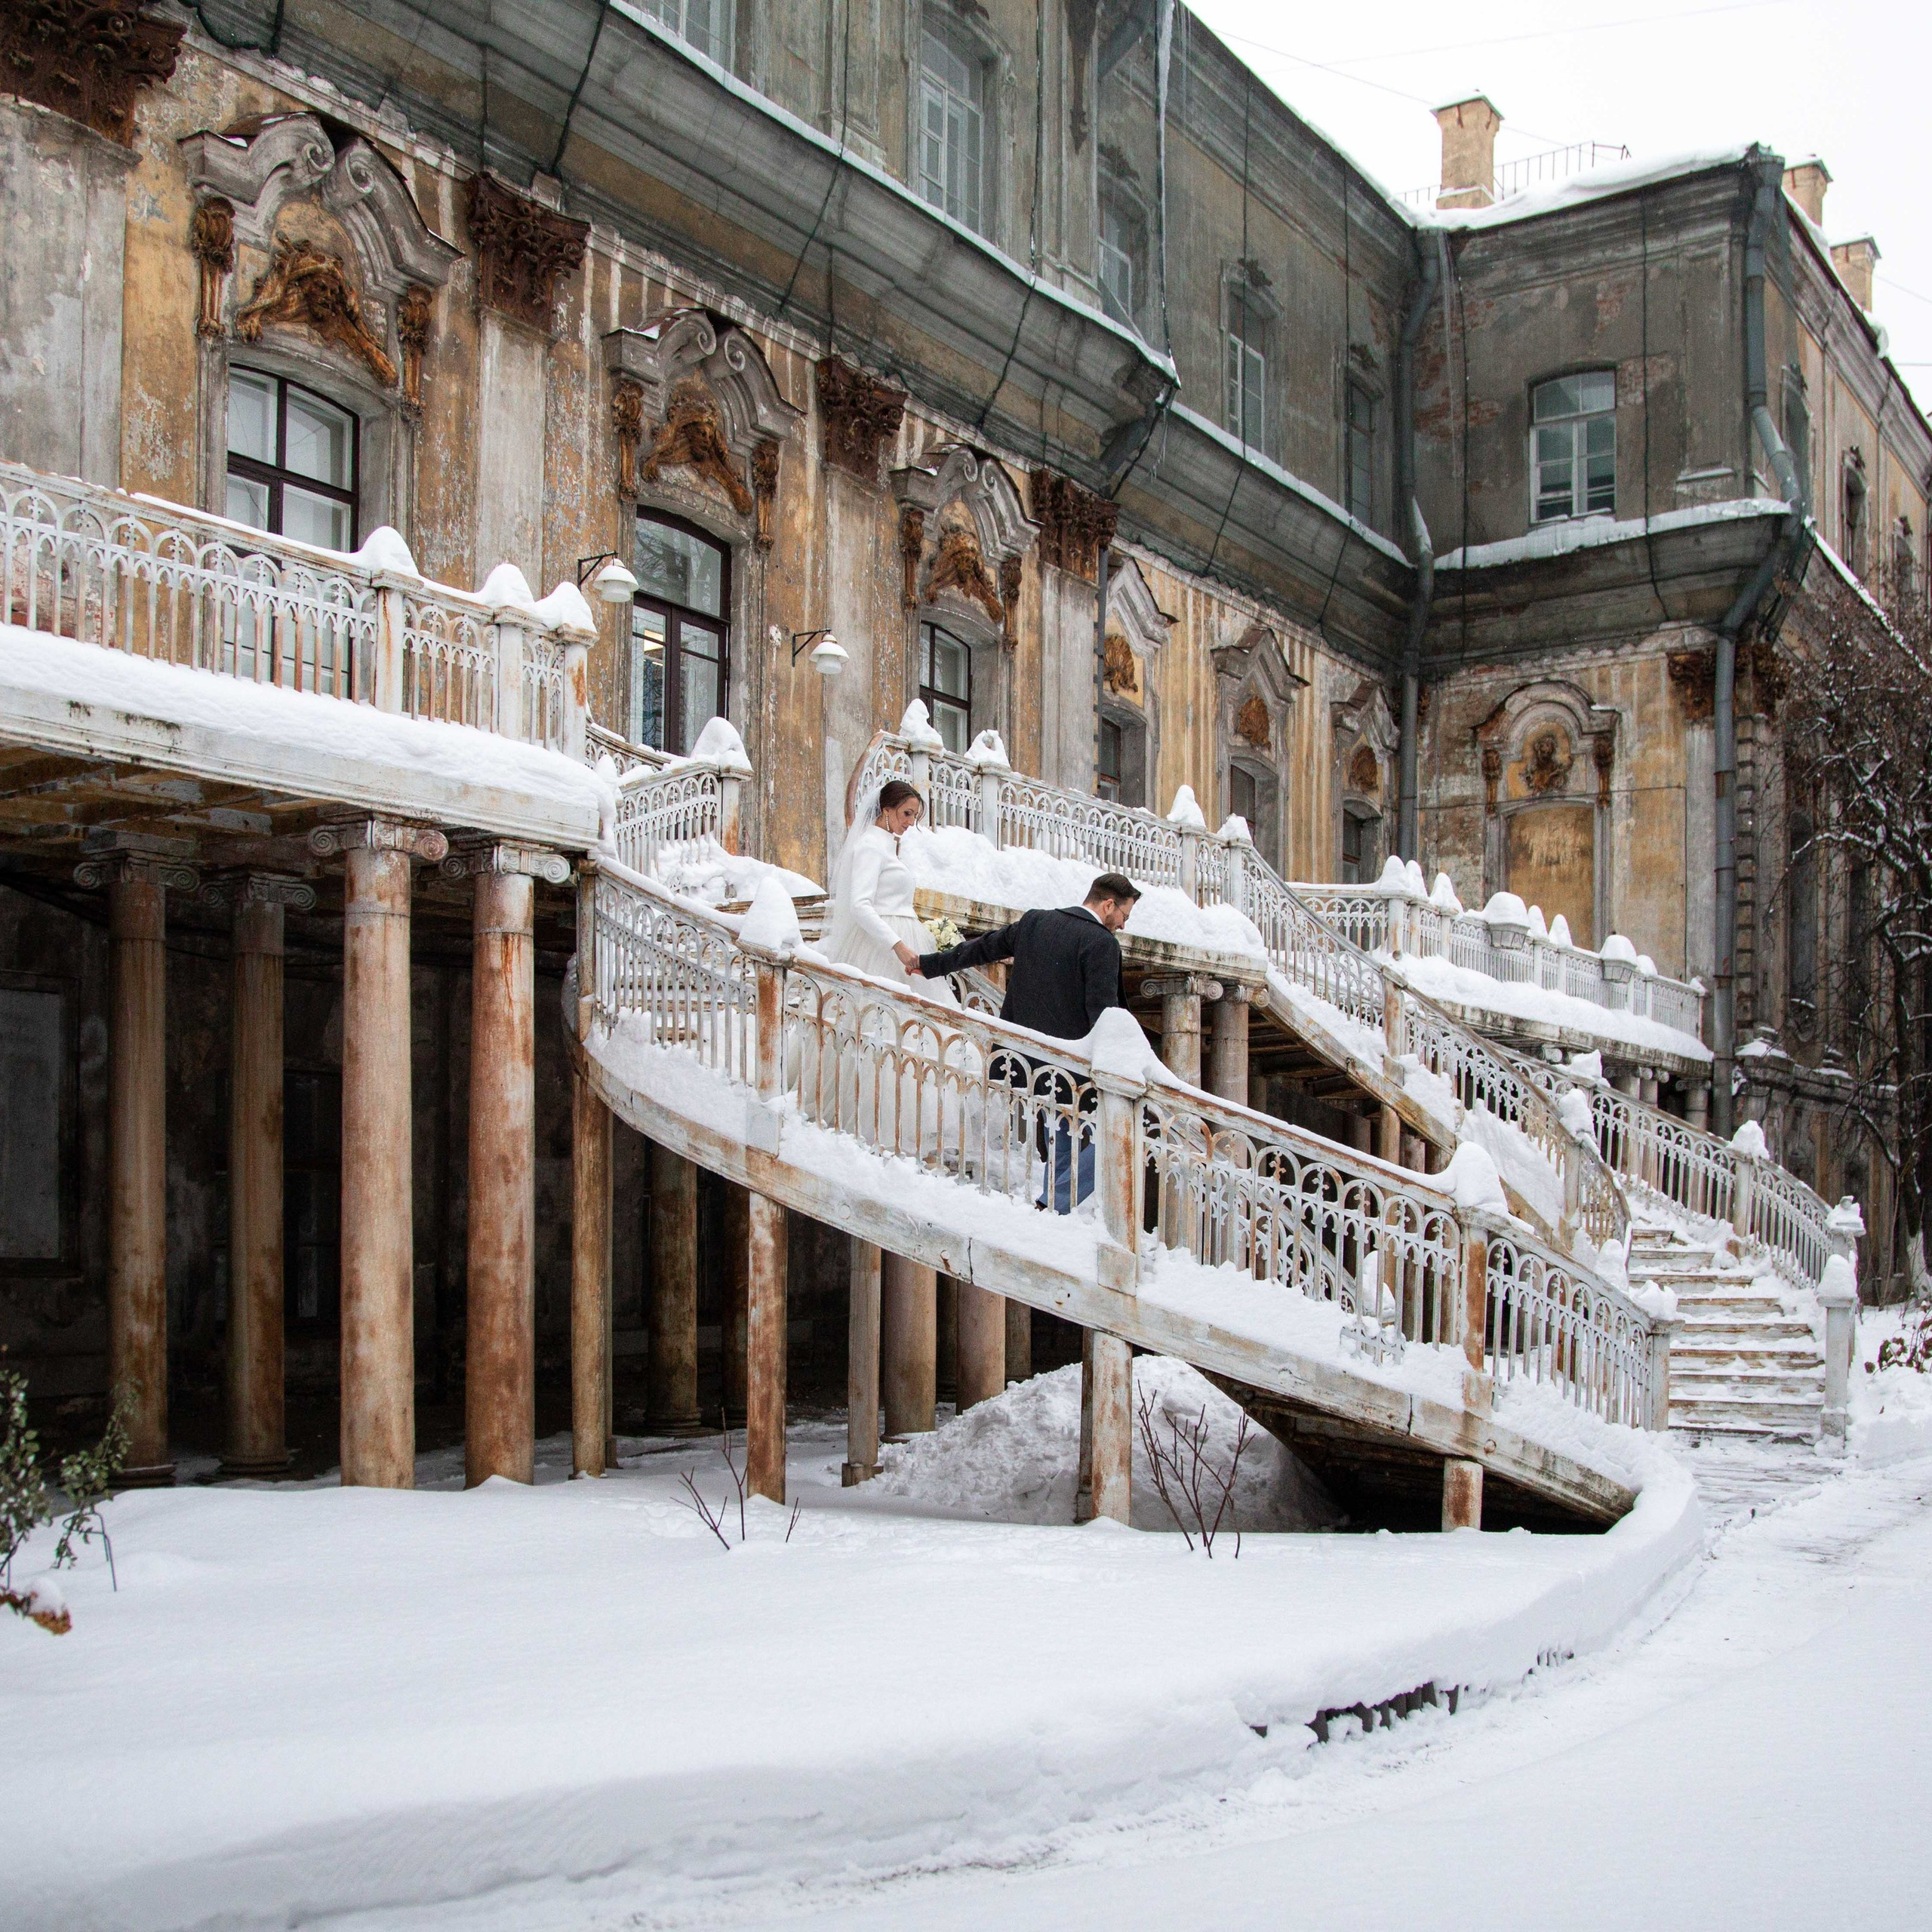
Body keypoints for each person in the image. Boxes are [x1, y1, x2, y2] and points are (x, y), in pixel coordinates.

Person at [912, 873, 1143, 1208]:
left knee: (1064, 1137)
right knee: (1125, 1136)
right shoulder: (1101, 943)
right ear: (1109, 905)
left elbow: (984, 948)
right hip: (1071, 1069)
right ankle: (1054, 1204)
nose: (1122, 925)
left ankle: (1052, 1209)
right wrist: (1123, 1063)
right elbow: (1103, 1014)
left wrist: (929, 964)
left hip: (1021, 1060)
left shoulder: (1036, 921)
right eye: (1124, 916)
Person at [823, 777, 955, 1004]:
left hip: (902, 938)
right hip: (880, 947)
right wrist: (898, 946)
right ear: (886, 810)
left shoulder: (886, 845)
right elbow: (860, 905)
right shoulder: (870, 846)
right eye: (907, 814)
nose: (911, 822)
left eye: (914, 816)